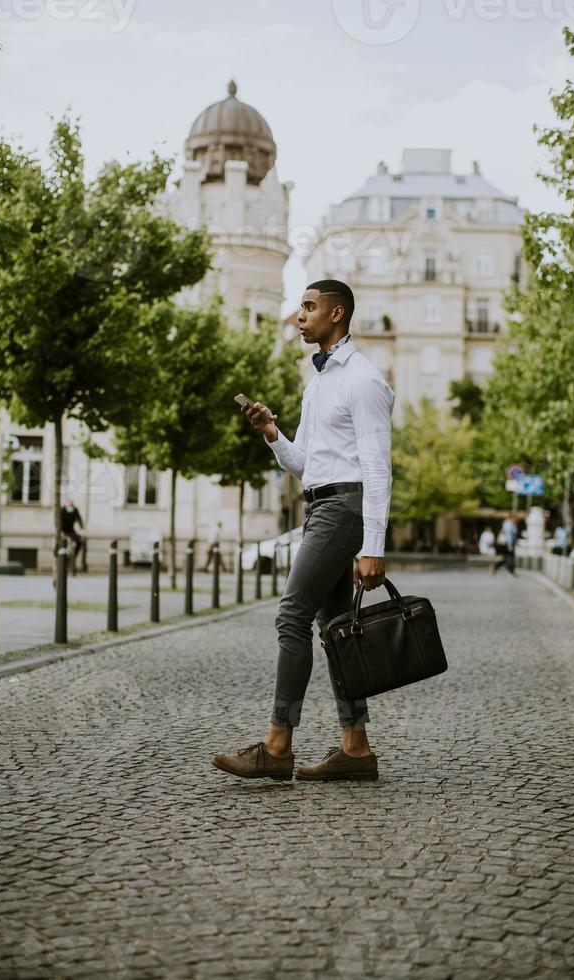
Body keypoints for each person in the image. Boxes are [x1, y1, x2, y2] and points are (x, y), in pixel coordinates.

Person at [212, 280, 394, 782]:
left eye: (310, 308)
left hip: (343, 510)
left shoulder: (363, 380)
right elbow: (308, 466)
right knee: (336, 631)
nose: (300, 315)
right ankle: (356, 750)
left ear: (337, 314)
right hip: (321, 505)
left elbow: (377, 470)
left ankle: (276, 745)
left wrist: (373, 546)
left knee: (292, 614)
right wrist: (273, 434)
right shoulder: (319, 383)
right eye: (300, 307)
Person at [60, 499, 85, 574]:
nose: (70, 505)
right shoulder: (63, 510)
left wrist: (81, 528)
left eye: (72, 504)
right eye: (69, 504)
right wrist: (61, 532)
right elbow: (60, 521)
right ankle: (65, 558)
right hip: (64, 530)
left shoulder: (75, 510)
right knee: (65, 545)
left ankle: (73, 557)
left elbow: (79, 519)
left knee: (79, 541)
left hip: (71, 530)